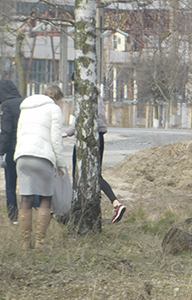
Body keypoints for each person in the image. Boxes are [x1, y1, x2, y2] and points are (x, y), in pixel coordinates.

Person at [62, 89, 126, 223]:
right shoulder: (99, 98)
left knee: (78, 174)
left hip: (87, 139)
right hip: (99, 137)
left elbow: (84, 119)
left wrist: (68, 132)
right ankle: (115, 204)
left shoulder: (87, 97)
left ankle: (75, 209)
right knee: (96, 174)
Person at [14, 88, 66, 249]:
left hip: (22, 156)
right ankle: (40, 242)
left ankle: (25, 242)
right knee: (45, 197)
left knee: (26, 198)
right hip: (42, 157)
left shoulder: (26, 108)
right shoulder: (54, 109)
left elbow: (19, 132)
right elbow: (56, 139)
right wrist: (61, 164)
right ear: (57, 99)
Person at [0, 79, 24, 224]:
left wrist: (0, 152)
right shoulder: (24, 102)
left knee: (11, 186)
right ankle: (35, 211)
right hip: (26, 148)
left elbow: (5, 131)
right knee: (29, 183)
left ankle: (13, 217)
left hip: (12, 150)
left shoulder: (6, 105)